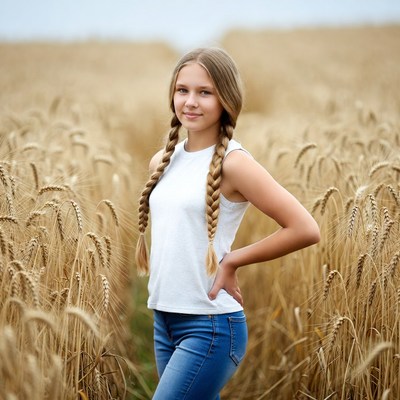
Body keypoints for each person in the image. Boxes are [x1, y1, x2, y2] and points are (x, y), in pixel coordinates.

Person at [135, 47, 320, 399]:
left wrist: (233, 260)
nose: (190, 101)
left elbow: (304, 228)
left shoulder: (234, 164)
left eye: (205, 92)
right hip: (164, 320)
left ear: (226, 100)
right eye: (182, 90)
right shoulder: (162, 160)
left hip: (210, 326)